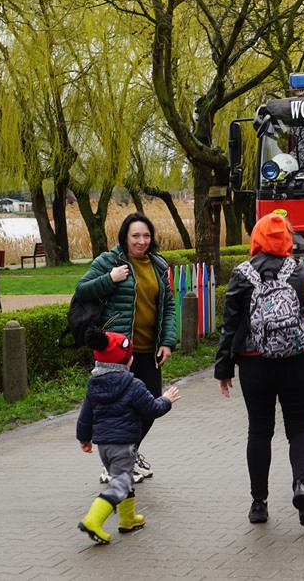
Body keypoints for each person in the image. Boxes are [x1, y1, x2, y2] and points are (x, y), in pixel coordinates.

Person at [215, 212, 304, 526]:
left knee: (259, 431)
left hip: (254, 361)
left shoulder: (241, 274)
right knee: (301, 428)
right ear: (287, 239)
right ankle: (301, 484)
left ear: (258, 238)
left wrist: (224, 369)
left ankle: (259, 503)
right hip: (298, 359)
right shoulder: (300, 272)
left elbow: (230, 324)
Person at [74, 212, 177, 483]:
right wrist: (110, 278)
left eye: (146, 235)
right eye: (135, 236)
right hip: (118, 352)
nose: (142, 241)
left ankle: (128, 455)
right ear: (125, 237)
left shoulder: (158, 265)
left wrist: (167, 341)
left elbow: (168, 307)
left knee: (151, 403)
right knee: (118, 408)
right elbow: (81, 290)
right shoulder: (109, 261)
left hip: (149, 348)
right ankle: (115, 463)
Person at [76, 329, 180, 545]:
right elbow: (151, 409)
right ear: (124, 360)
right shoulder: (133, 385)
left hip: (104, 445)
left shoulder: (94, 384)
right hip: (123, 445)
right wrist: (167, 400)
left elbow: (85, 414)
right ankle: (93, 520)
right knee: (121, 484)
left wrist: (84, 438)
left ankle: (128, 519)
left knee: (123, 479)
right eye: (130, 354)